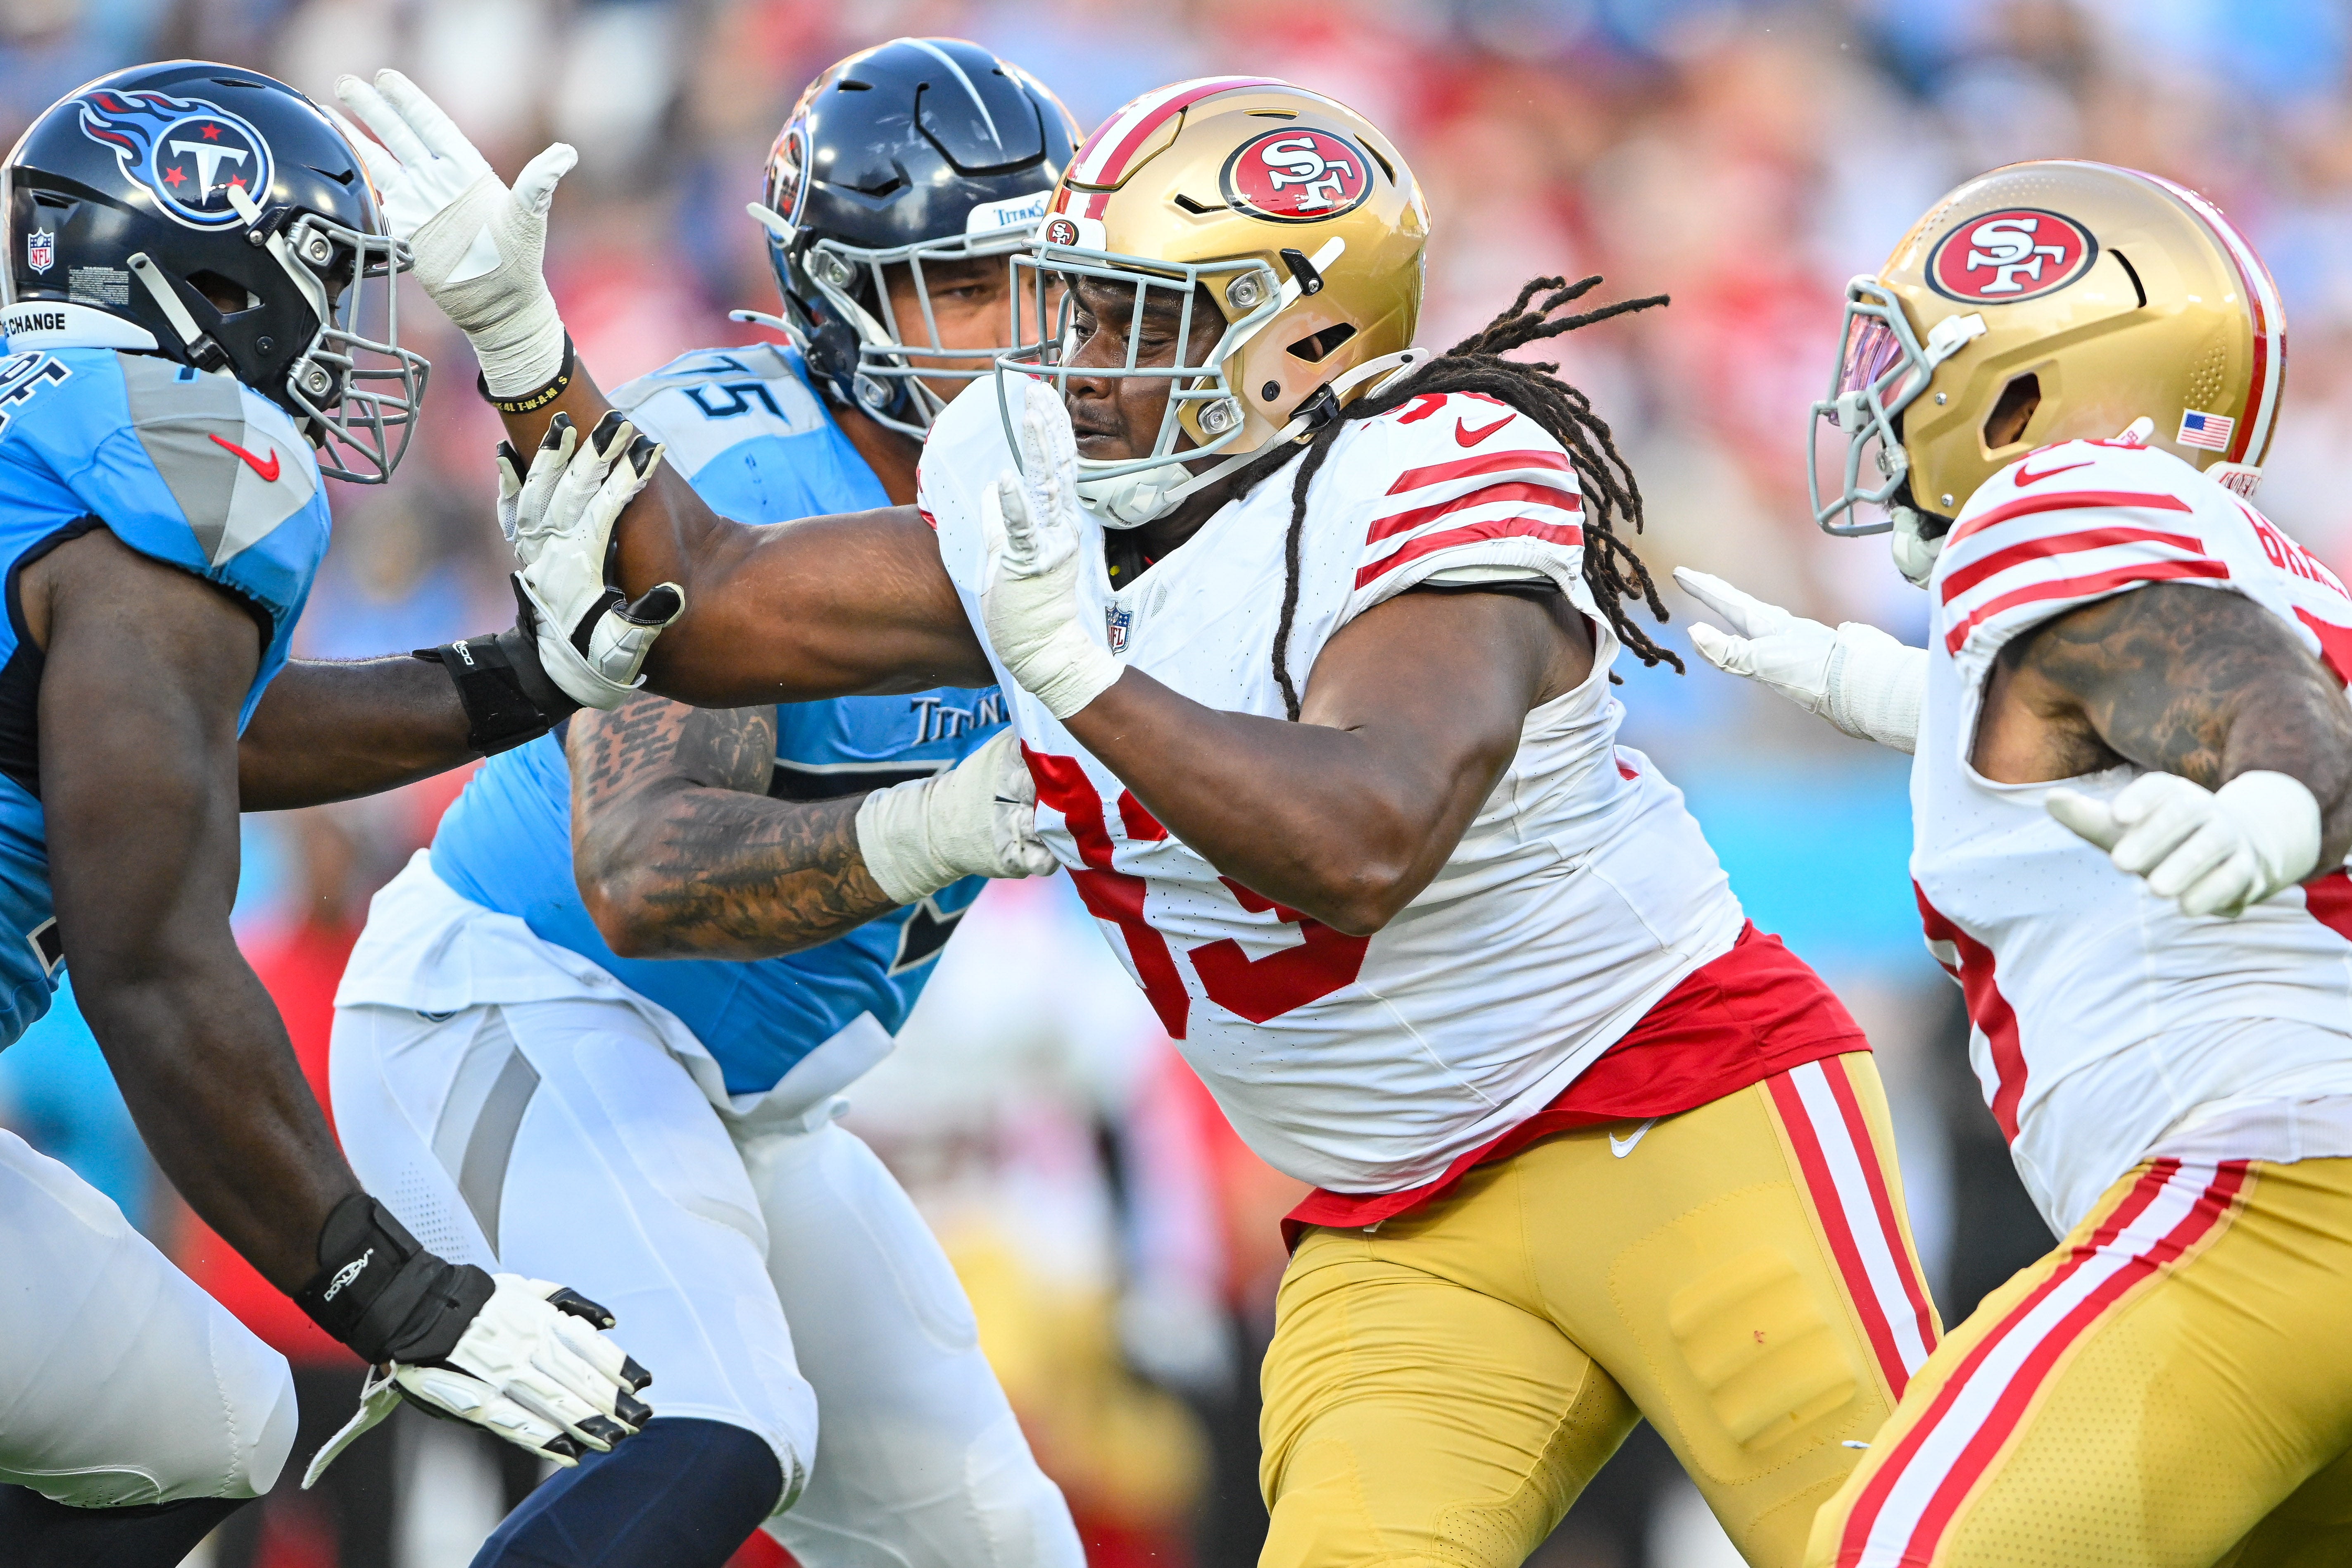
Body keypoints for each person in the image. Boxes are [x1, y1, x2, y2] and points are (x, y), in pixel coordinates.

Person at [356, 71, 1946, 1568]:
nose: (1066, 360)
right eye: (1071, 301)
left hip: (1660, 1107)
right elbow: (705, 599)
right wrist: (522, 350)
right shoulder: (1058, 518)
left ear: (1302, 344)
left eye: (1129, 316)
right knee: (770, 1445)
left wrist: (1079, 683)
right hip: (1393, 1210)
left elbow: (1362, 838)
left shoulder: (1453, 464)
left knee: (1925, 1537)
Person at [327, 42, 1085, 1568]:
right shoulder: (737, 458)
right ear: (839, 297)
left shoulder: (1089, 470)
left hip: (758, 1100)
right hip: (523, 1005)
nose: (1021, 334)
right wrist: (931, 827)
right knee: (720, 1421)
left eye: (1043, 279)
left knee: (998, 1544)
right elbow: (645, 866)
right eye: (963, 284)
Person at [0, 62, 670, 1568]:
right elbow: (146, 955)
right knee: (214, 1424)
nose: (339, 340)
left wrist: (515, 683)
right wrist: (389, 1282)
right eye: (325, 285)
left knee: (205, 1415)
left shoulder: (40, 436)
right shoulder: (172, 443)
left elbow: (149, 737)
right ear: (216, 272)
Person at [1683, 158, 2352, 1566]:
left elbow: (2235, 691)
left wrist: (2275, 801)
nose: (1877, 403)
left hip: (2270, 1196)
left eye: (1911, 361)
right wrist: (1896, 692)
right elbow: (2137, 688)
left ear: (2024, 392)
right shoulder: (2270, 553)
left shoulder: (2053, 496)